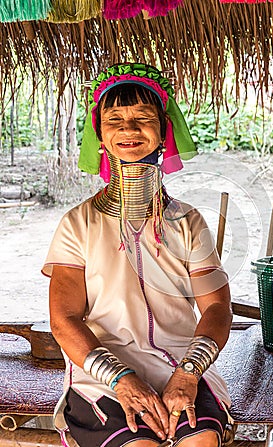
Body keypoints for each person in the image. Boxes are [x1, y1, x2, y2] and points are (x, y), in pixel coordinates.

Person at [42, 63, 233, 447]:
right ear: (101, 136)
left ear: (164, 133)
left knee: (201, 441)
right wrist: (122, 381)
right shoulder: (78, 223)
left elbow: (216, 309)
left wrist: (188, 373)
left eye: (143, 118)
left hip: (182, 367)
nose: (129, 129)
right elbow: (63, 319)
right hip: (102, 377)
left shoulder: (187, 221)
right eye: (115, 120)